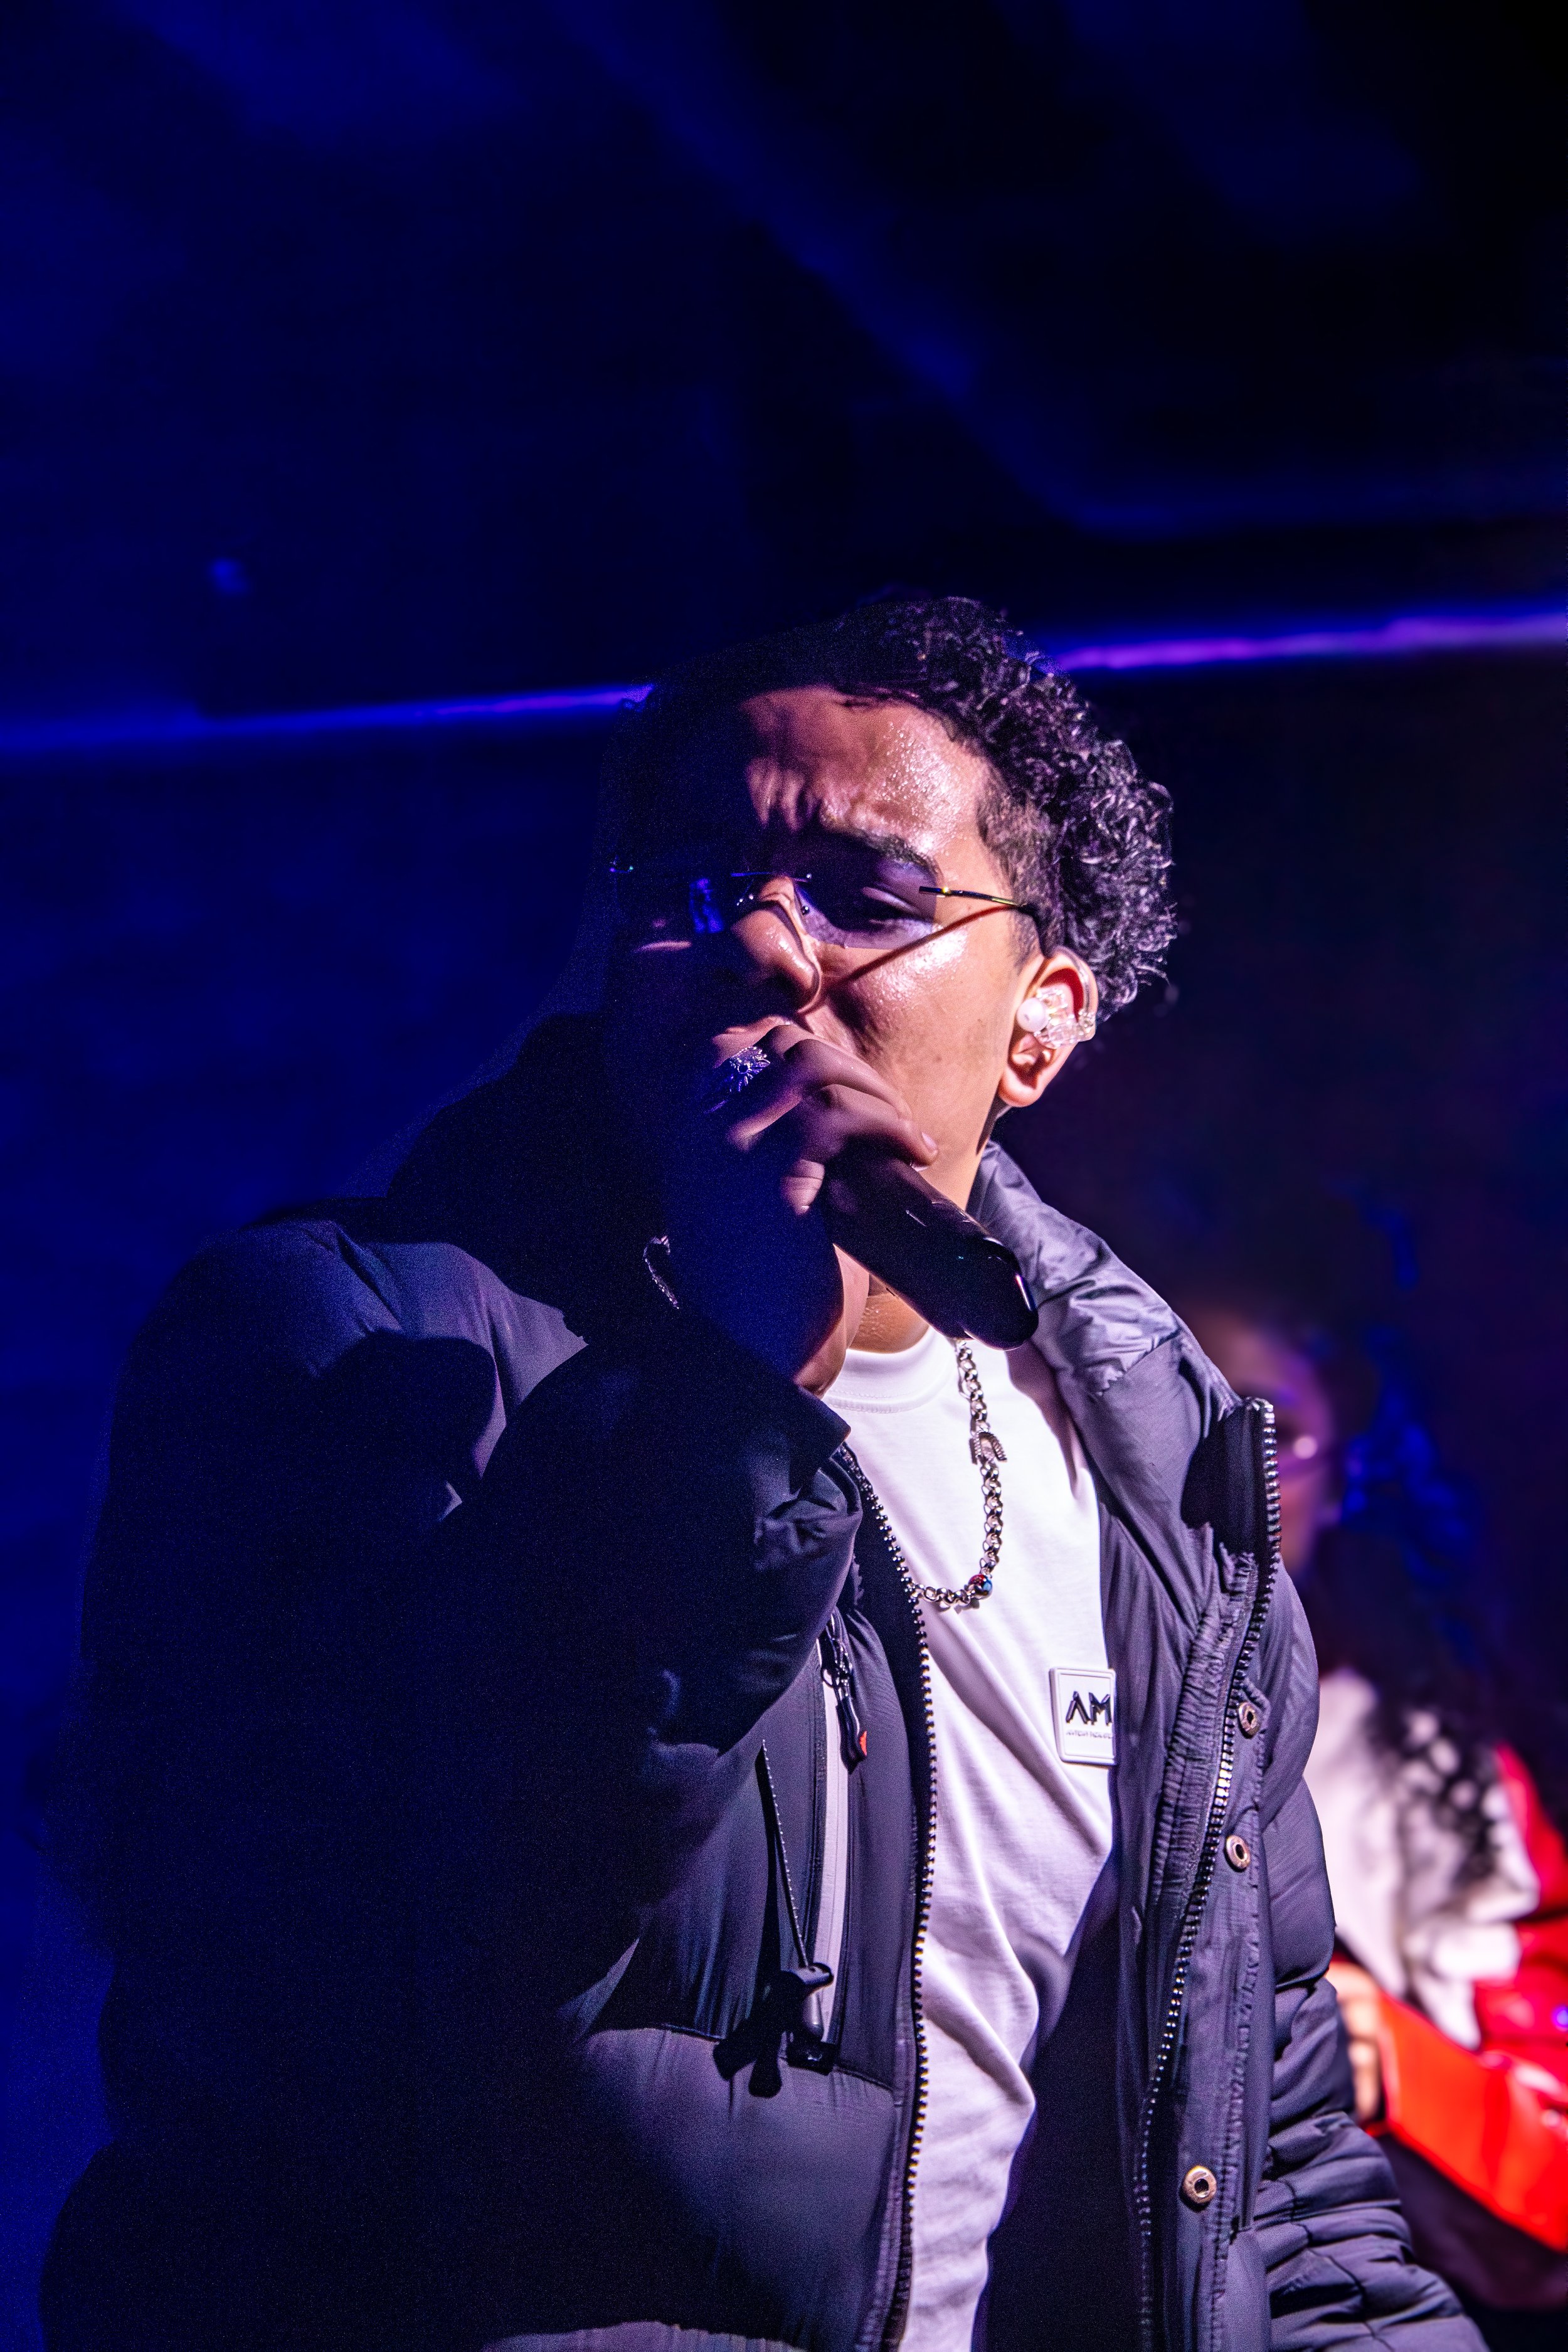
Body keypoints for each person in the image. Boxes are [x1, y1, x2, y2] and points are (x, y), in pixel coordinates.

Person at [43, 599, 1482, 2352]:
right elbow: (364, 1987)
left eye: (867, 896)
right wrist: (733, 1372)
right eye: (690, 887)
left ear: (1039, 1023)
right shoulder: (333, 1342)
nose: (760, 948)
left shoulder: (1158, 1459)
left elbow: (1275, 2178)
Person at [1187, 1300, 1568, 2349]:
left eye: (1272, 1427)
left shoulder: (1441, 1775)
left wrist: (1385, 2050)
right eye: (1185, 1405)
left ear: (1345, 1475)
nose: (1225, 1463)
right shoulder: (1020, 1704)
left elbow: (1556, 2194)